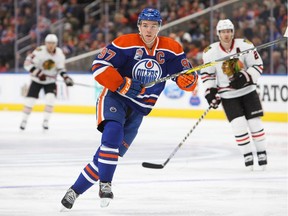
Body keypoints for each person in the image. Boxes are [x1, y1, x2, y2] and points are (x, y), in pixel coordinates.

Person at [61, 8, 198, 209]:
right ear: (139, 27)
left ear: (159, 27)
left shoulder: (172, 49)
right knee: (112, 136)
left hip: (139, 110)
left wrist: (188, 81)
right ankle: (106, 184)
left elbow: (186, 78)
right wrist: (120, 83)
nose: (149, 30)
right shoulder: (125, 43)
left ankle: (74, 191)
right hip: (115, 98)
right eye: (145, 26)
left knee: (107, 156)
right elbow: (98, 65)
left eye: (153, 26)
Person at [200, 19, 267, 171]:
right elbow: (207, 75)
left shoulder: (245, 45)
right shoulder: (210, 52)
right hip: (228, 95)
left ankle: (262, 153)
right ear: (218, 34)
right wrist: (210, 92)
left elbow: (258, 65)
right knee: (238, 126)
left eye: (229, 31)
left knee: (255, 124)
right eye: (223, 32)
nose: (226, 34)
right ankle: (247, 155)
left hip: (248, 92)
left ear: (233, 32)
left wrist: (245, 77)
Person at [20, 34, 74, 130]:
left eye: (53, 43)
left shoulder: (60, 54)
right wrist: (38, 73)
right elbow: (27, 64)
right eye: (49, 43)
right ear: (45, 43)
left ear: (56, 44)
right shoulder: (39, 51)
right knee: (30, 101)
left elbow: (61, 69)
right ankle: (24, 120)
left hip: (50, 81)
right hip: (36, 80)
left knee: (50, 99)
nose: (51, 45)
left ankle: (46, 121)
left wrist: (66, 78)